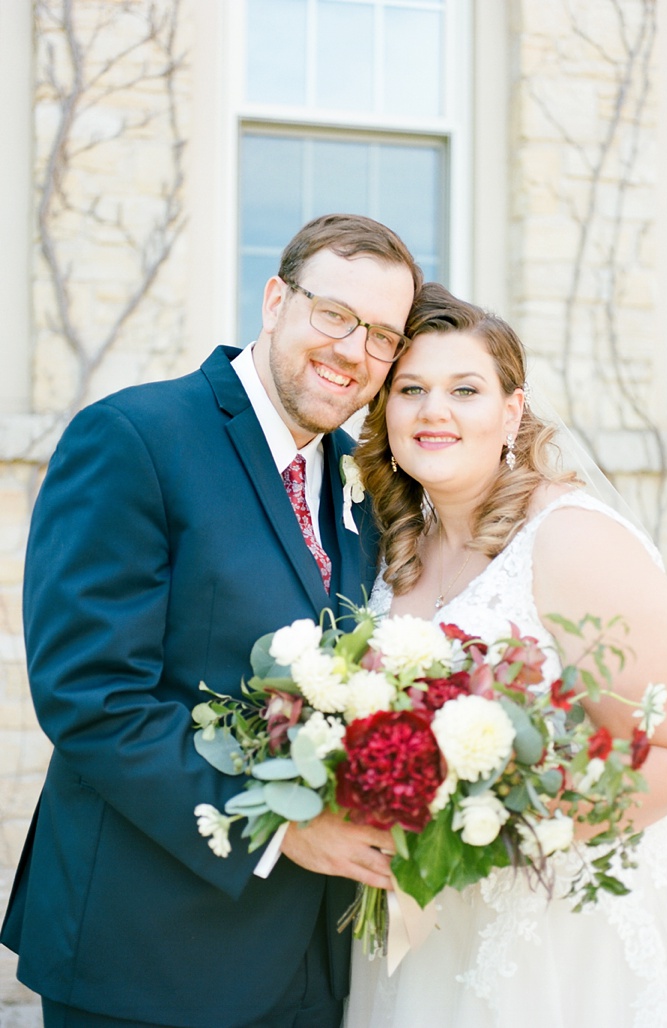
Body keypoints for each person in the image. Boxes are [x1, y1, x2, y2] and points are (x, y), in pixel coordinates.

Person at [1, 214, 423, 1028]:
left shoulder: (356, 481)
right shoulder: (135, 437)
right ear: (274, 301)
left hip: (312, 964)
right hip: (148, 953)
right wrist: (285, 834)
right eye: (334, 315)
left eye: (381, 336)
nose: (352, 352)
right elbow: (91, 697)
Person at [346, 282, 667, 1027]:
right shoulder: (395, 557)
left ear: (511, 411)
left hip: (573, 931)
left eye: (464, 389)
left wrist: (495, 834)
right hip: (433, 924)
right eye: (409, 389)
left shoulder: (570, 538)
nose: (432, 411)